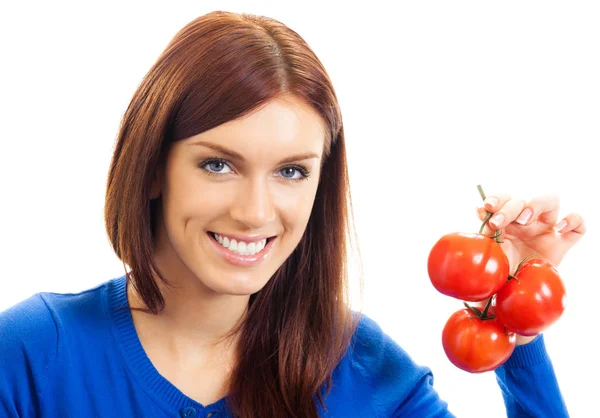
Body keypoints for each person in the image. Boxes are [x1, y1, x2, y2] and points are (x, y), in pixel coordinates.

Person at [0, 11, 585, 418]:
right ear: (154, 167)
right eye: (218, 165)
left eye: (291, 171)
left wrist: (515, 314)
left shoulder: (358, 364)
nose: (255, 213)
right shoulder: (34, 353)